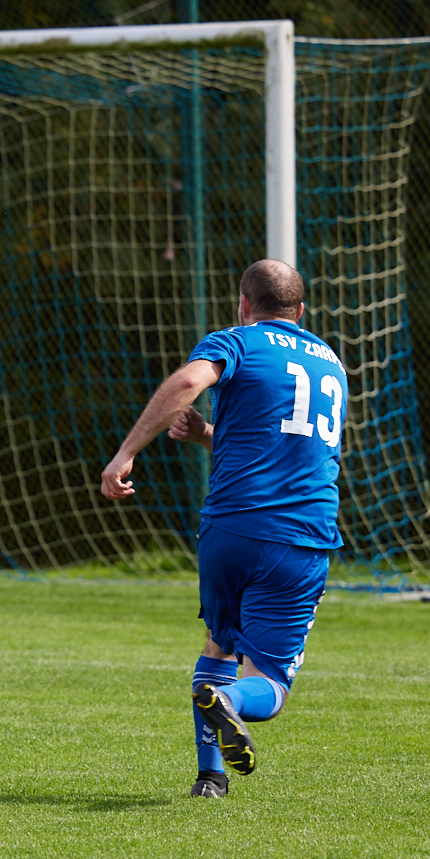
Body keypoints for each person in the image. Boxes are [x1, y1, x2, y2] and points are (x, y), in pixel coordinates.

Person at [100, 259, 349, 799]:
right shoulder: (331, 365)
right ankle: (231, 703)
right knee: (270, 684)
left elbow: (192, 380)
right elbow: (293, 449)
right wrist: (209, 434)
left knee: (217, 645)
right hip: (300, 536)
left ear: (244, 304)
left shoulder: (236, 341)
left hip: (229, 529)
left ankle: (210, 779)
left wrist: (126, 453)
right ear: (300, 311)